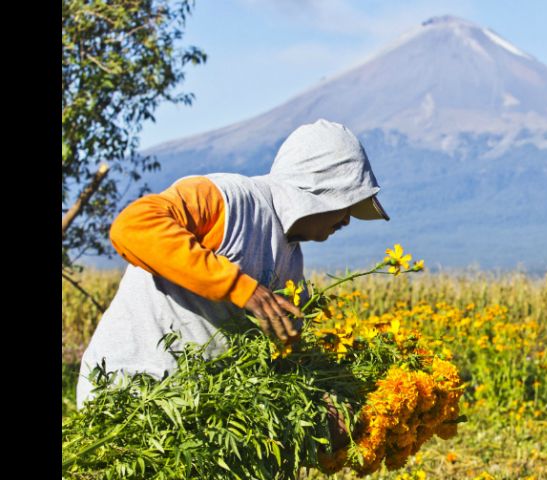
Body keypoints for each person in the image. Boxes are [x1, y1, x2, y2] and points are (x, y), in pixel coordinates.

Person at [75, 119, 390, 428]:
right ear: (318, 190)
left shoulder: (291, 264)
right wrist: (240, 287)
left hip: (190, 415)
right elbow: (134, 226)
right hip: (129, 397)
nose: (348, 219)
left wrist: (325, 400)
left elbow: (281, 355)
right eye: (347, 205)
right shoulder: (229, 199)